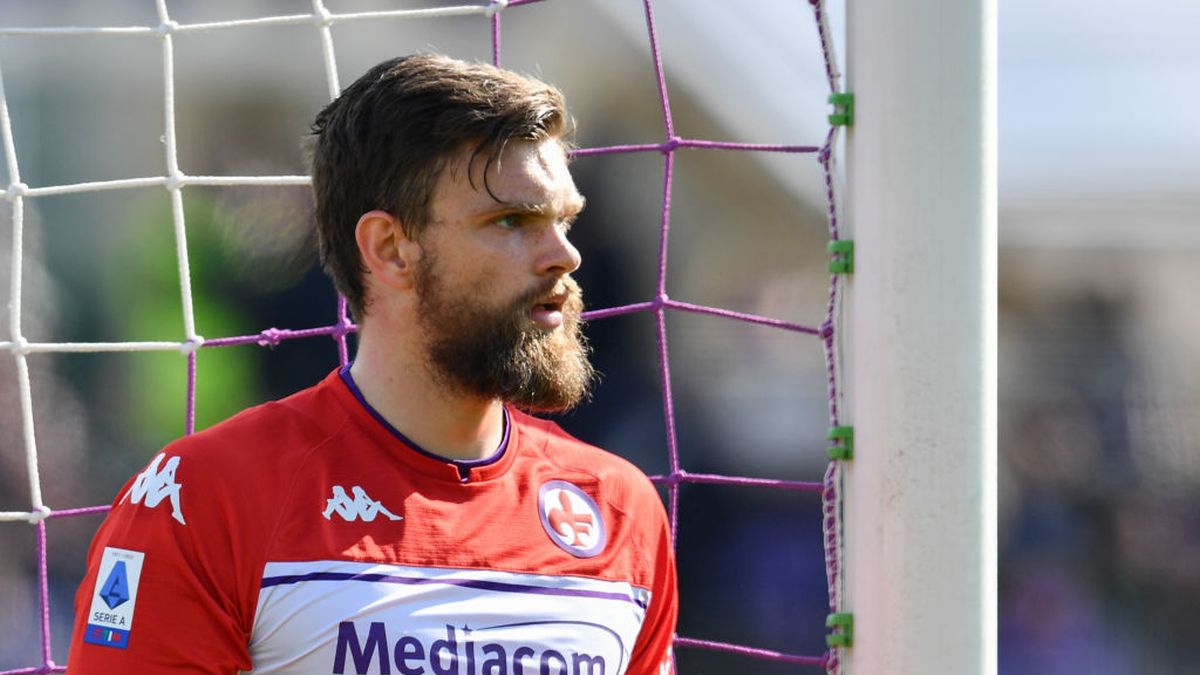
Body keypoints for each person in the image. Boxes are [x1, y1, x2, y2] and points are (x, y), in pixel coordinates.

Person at [68, 53, 678, 674]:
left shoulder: (620, 508)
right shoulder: (202, 498)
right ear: (390, 249)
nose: (564, 256)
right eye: (512, 220)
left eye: (564, 220)